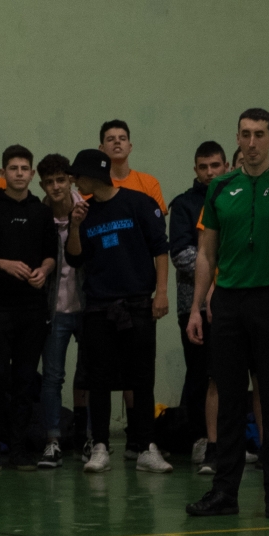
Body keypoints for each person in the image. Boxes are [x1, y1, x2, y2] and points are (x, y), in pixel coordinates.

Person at [185, 109, 269, 518]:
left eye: (260, 134)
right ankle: (224, 493)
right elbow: (206, 254)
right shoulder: (220, 187)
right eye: (245, 134)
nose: (252, 142)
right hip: (227, 303)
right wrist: (197, 307)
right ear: (237, 139)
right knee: (229, 400)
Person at [65, 148, 171, 475]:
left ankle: (146, 447)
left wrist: (161, 293)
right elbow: (75, 258)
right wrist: (74, 226)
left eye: (78, 175)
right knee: (98, 379)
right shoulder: (84, 213)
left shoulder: (139, 203)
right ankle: (99, 446)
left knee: (142, 379)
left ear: (93, 176)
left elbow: (160, 249)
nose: (75, 181)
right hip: (98, 307)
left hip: (137, 304)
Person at [0, 146, 58, 470]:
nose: (19, 173)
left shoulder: (41, 212)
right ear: (3, 172)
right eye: (13, 168)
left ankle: (19, 451)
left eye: (24, 168)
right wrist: (4, 264)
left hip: (32, 309)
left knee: (25, 381)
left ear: (31, 174)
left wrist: (44, 271)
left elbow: (51, 254)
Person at [169, 141, 228, 469]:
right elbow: (181, 254)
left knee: (226, 375)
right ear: (195, 169)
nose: (210, 172)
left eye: (215, 166)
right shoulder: (184, 205)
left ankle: (226, 440)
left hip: (232, 303)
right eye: (203, 167)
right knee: (200, 374)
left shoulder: (234, 199)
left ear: (225, 167)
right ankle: (199, 440)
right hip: (192, 305)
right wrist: (220, 274)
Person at [37, 154, 87, 468]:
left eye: (60, 180)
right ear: (42, 185)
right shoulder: (39, 216)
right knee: (52, 377)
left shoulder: (88, 210)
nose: (56, 187)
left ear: (70, 180)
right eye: (49, 182)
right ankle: (52, 440)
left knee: (88, 376)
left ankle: (87, 439)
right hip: (53, 309)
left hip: (87, 306)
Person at [99, 120, 167, 213]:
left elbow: (158, 220)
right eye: (110, 139)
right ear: (101, 149)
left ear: (130, 147)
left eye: (122, 138)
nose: (117, 141)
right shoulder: (93, 186)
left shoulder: (150, 183)